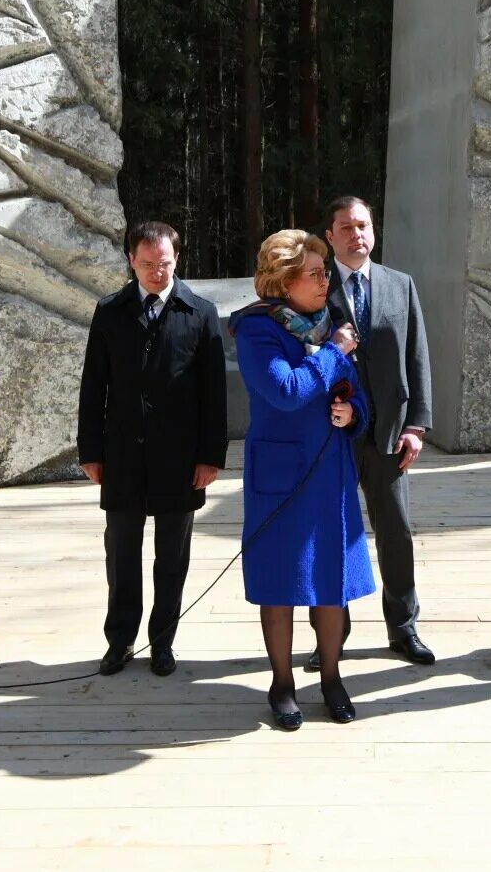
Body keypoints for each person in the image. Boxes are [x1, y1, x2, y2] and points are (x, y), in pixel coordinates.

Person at [232, 229, 374, 730]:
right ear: (284, 280)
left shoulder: (327, 325)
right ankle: (283, 684)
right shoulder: (256, 331)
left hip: (329, 472)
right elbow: (287, 391)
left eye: (324, 273)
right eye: (314, 273)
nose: (323, 281)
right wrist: (334, 352)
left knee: (330, 582)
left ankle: (332, 677)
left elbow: (358, 397)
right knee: (281, 582)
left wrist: (350, 412)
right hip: (281, 475)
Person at [77, 221, 228, 677]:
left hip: (180, 459)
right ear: (130, 260)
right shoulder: (109, 311)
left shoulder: (200, 313)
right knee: (122, 553)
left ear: (176, 259)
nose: (156, 272)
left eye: (163, 264)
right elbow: (93, 386)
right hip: (122, 454)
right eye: (146, 264)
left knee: (172, 554)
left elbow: (214, 394)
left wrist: (210, 456)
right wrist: (90, 450)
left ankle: (163, 641)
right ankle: (120, 641)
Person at [314, 195, 436, 666]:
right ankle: (332, 635)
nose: (356, 234)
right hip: (334, 435)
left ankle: (403, 628)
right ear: (329, 236)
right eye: (345, 227)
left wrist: (417, 427)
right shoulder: (315, 287)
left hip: (389, 435)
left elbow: (417, 356)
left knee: (396, 532)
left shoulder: (399, 285)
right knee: (334, 535)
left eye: (362, 225)